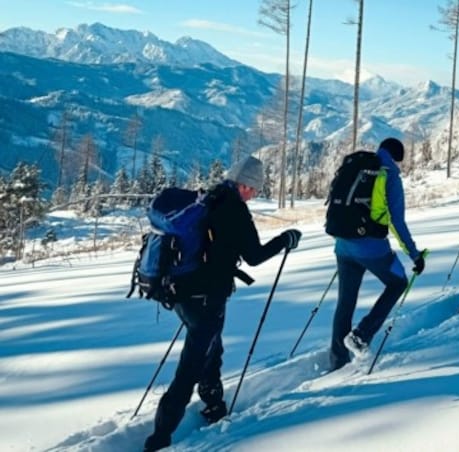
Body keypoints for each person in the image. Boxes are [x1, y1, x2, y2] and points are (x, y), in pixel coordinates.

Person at [144, 156, 302, 451]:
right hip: (206, 295)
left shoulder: (210, 198)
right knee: (190, 366)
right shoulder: (235, 210)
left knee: (210, 346)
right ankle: (158, 439)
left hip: (180, 292)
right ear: (243, 185)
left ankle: (214, 404)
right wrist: (286, 239)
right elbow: (254, 256)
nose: (255, 194)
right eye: (254, 188)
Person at [329, 138, 426, 371]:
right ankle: (361, 335)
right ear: (396, 156)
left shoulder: (357, 167)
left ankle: (338, 360)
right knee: (398, 282)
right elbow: (396, 221)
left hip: (342, 245)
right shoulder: (388, 173)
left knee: (346, 301)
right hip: (370, 247)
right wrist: (414, 255)